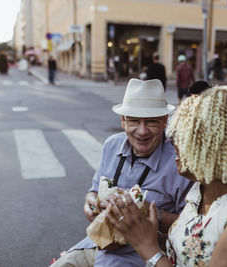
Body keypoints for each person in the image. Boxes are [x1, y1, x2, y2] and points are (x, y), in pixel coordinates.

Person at [107, 86, 227, 266]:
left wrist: (147, 247)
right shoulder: (204, 187)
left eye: (186, 137)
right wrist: (140, 225)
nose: (173, 144)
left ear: (218, 147)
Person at [50, 78, 193, 267]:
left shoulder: (180, 160)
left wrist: (149, 213)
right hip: (100, 244)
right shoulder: (111, 145)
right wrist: (92, 206)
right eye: (134, 120)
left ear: (164, 121)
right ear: (123, 120)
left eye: (150, 122)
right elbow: (93, 193)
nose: (142, 131)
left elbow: (191, 227)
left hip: (145, 254)